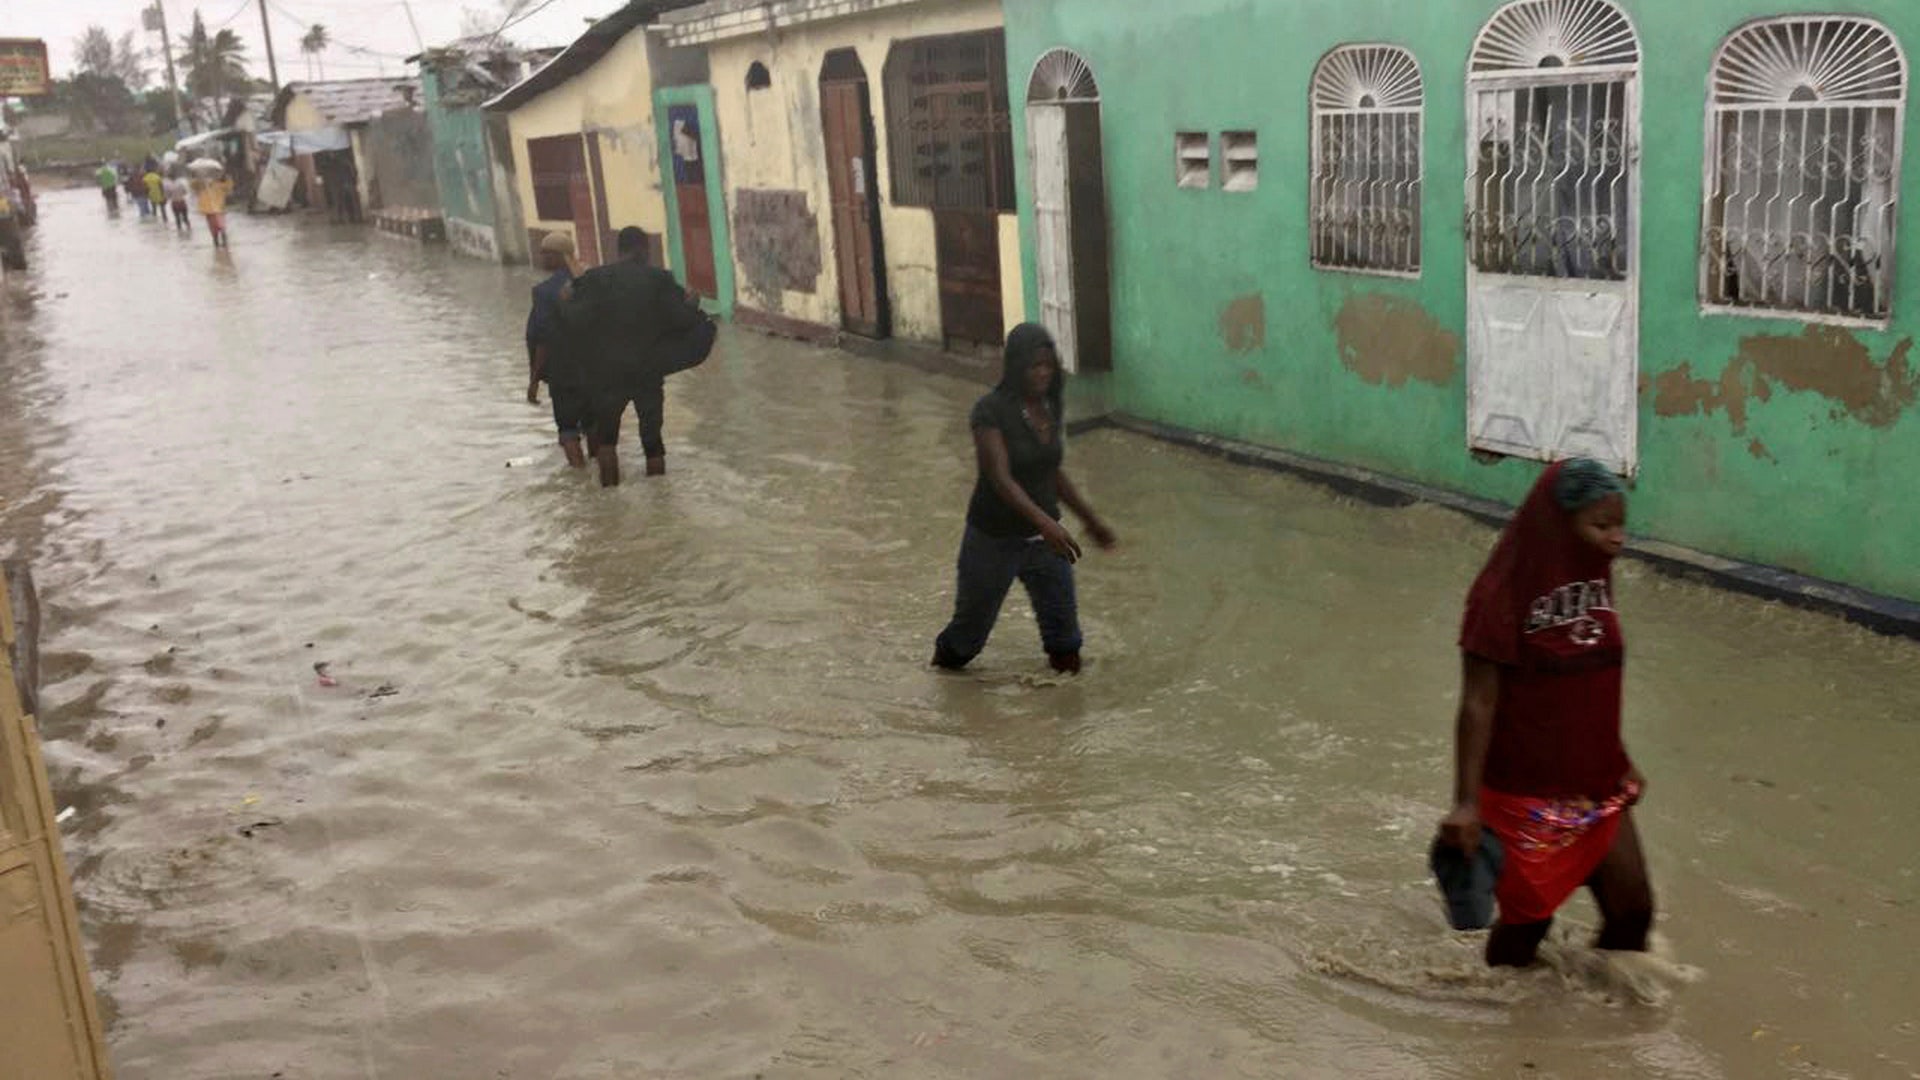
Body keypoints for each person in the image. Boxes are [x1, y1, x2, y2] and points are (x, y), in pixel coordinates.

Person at [1437, 458, 1653, 968]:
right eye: (1601, 526)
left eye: (1621, 524)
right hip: (1525, 791)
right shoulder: (1498, 595)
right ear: (1557, 526)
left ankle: (1601, 1031)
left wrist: (1619, 760)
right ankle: (1505, 1027)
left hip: (1594, 781)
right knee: (1527, 926)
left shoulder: (1593, 578)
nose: (1616, 538)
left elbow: (1591, 676)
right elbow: (1478, 702)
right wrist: (1466, 803)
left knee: (1633, 912)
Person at [931, 323, 1116, 675]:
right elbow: (999, 477)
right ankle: (941, 688)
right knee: (966, 641)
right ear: (1016, 366)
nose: (1043, 373)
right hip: (992, 541)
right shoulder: (989, 411)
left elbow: (1052, 472)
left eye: (1048, 365)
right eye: (1035, 366)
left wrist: (1091, 521)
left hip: (1045, 543)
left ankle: (1068, 720)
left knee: (1066, 642)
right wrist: (1046, 523)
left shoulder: (1050, 406)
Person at [565, 225, 704, 487]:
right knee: (653, 442)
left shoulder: (595, 279)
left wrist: (566, 300)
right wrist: (693, 303)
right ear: (644, 249)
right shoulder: (660, 279)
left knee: (607, 442)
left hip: (607, 375)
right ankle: (660, 504)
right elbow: (683, 320)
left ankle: (610, 504)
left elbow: (574, 322)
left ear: (619, 250)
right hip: (648, 372)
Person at [525, 231, 590, 467]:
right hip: (595, 367)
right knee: (593, 426)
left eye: (545, 253)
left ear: (557, 256)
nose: (541, 258)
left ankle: (582, 485)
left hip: (564, 373)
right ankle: (601, 475)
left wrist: (534, 380)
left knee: (568, 431)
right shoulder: (589, 282)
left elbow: (543, 339)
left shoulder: (544, 291)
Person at [192, 167, 234, 249]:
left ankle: (225, 246)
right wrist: (199, 178)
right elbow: (193, 186)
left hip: (219, 210)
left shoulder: (220, 185)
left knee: (222, 227)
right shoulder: (203, 185)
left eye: (219, 174)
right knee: (213, 230)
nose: (217, 176)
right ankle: (217, 246)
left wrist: (229, 178)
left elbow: (229, 188)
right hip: (209, 211)